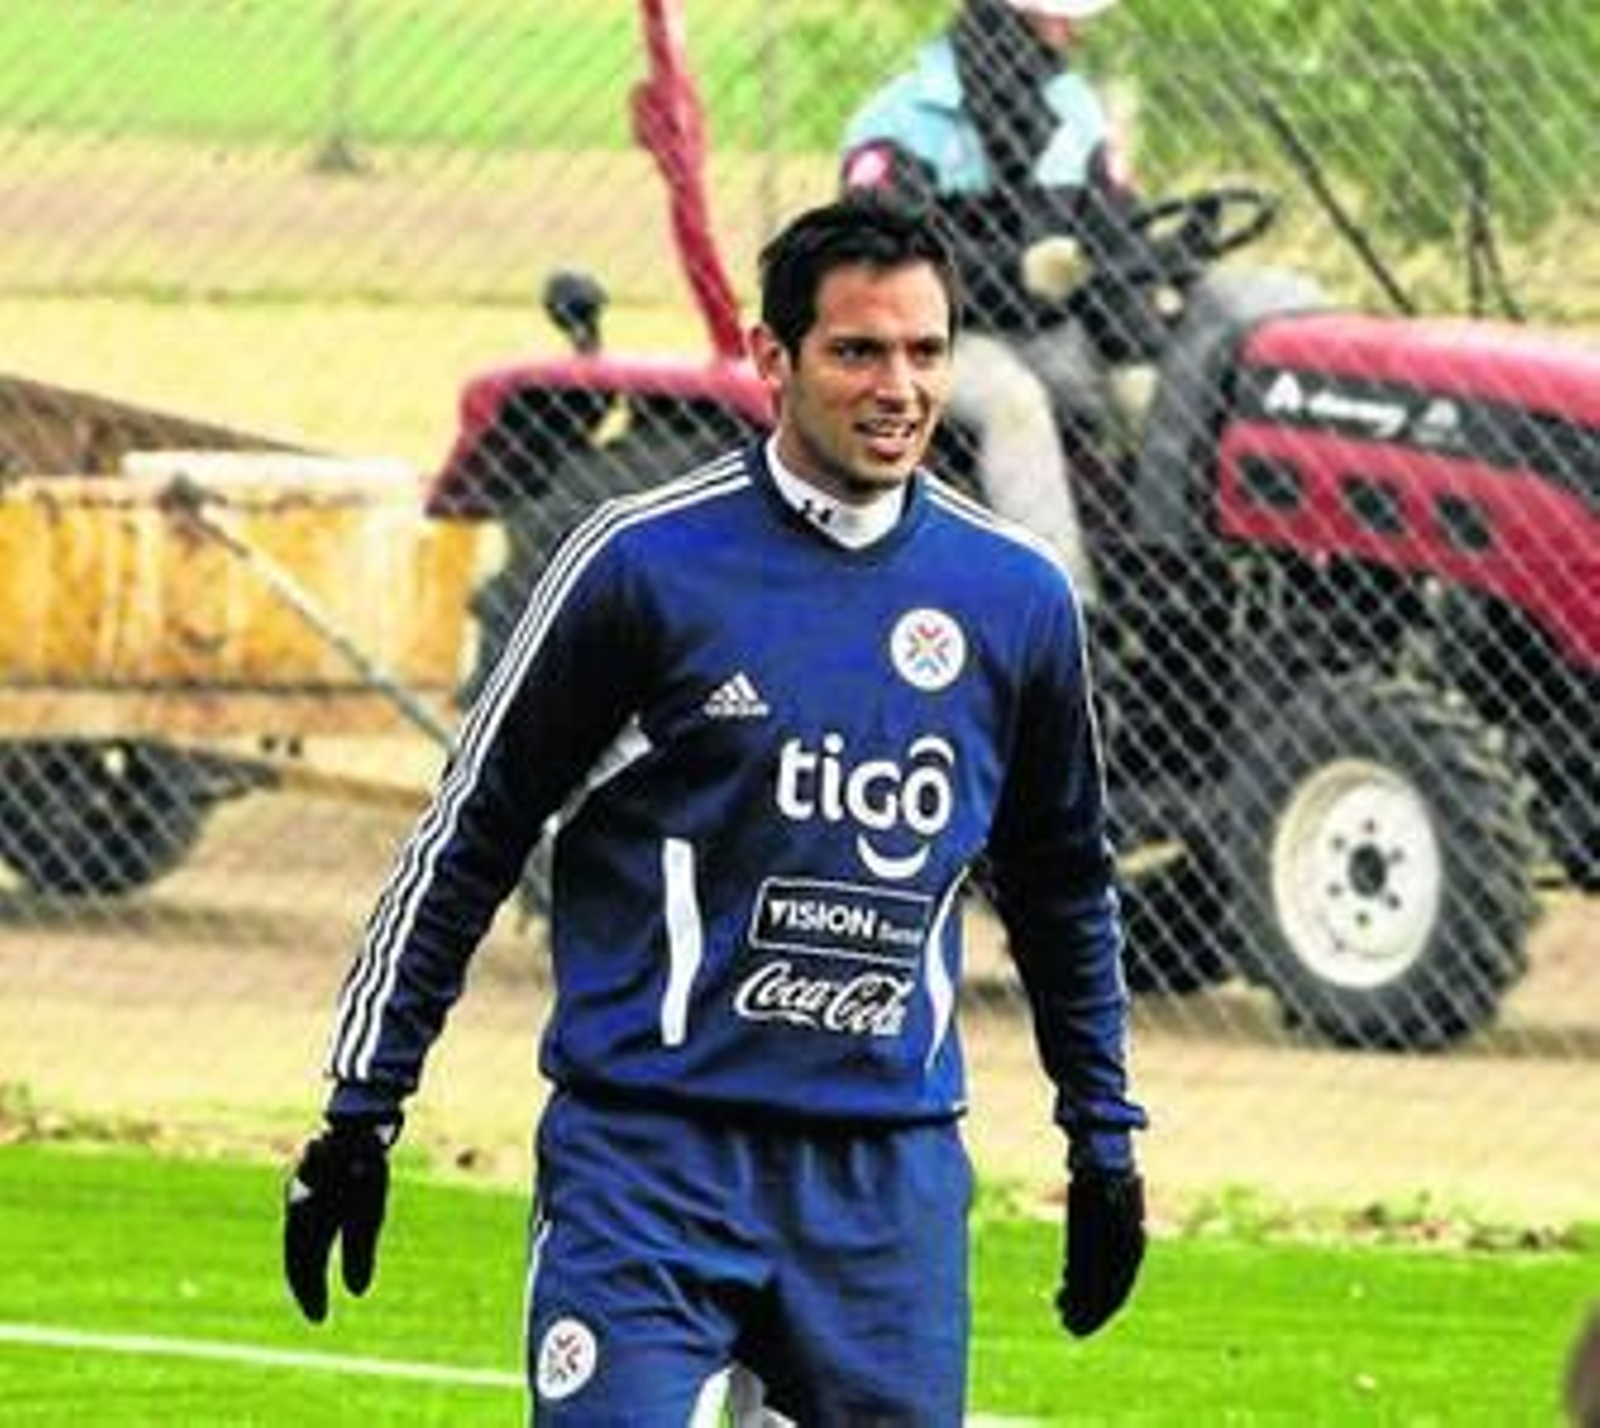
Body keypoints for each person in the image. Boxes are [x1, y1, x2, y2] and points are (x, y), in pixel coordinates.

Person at [282, 195, 1147, 1424]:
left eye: (925, 351)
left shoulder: (1014, 600)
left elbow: (1064, 889)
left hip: (881, 1189)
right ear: (771, 357)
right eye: (857, 351)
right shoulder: (640, 566)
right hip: (649, 1169)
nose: (898, 386)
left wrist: (1101, 1141)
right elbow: (472, 835)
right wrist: (360, 1110)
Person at [841, 0, 1136, 608]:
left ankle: (1158, 588)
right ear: (1004, 18)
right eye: (1056, 17)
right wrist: (1015, 270)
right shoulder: (899, 121)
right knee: (1015, 403)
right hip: (920, 340)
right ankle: (1065, 613)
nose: (1073, 29)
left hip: (1045, 331)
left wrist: (1142, 344)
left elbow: (1115, 233)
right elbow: (886, 266)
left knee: (1147, 397)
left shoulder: (1073, 110)